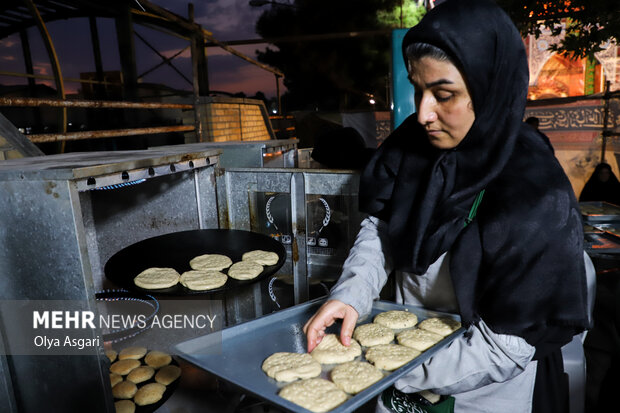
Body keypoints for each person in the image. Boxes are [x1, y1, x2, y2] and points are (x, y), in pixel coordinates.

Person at [303, 0, 592, 412]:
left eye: (443, 94)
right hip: (400, 354)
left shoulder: (535, 194)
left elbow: (508, 347)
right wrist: (351, 294)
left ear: (490, 88)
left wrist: (395, 370)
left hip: (484, 386)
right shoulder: (410, 149)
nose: (423, 114)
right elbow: (382, 226)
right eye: (418, 91)